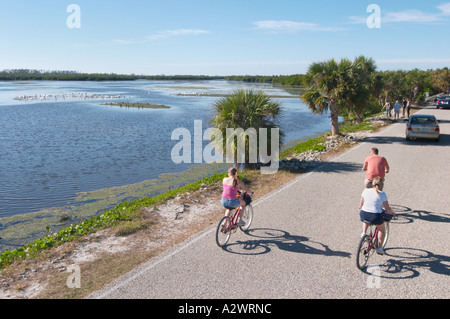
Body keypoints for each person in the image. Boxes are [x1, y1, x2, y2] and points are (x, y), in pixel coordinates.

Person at [359, 176, 395, 255]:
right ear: (382, 186)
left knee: (366, 218)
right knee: (381, 230)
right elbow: (387, 209)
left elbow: (361, 204)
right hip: (375, 216)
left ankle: (364, 233)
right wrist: (392, 213)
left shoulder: (365, 191)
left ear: (372, 184)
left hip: (363, 213)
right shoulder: (382, 194)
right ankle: (379, 248)